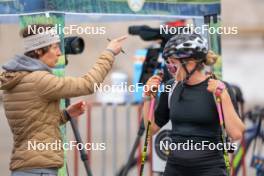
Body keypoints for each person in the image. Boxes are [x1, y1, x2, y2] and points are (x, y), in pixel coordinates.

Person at [0, 24, 126, 176]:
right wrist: (109, 52)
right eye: (54, 47)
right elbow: (88, 84)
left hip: (24, 168)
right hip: (39, 171)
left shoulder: (15, 79)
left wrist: (65, 114)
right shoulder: (39, 80)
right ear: (39, 50)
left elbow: (34, 123)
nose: (60, 53)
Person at [143, 33, 245, 176]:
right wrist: (147, 98)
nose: (169, 69)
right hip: (174, 168)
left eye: (173, 64)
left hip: (210, 169)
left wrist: (224, 96)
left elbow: (236, 133)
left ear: (190, 63)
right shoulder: (170, 87)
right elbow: (150, 130)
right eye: (168, 64)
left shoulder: (219, 88)